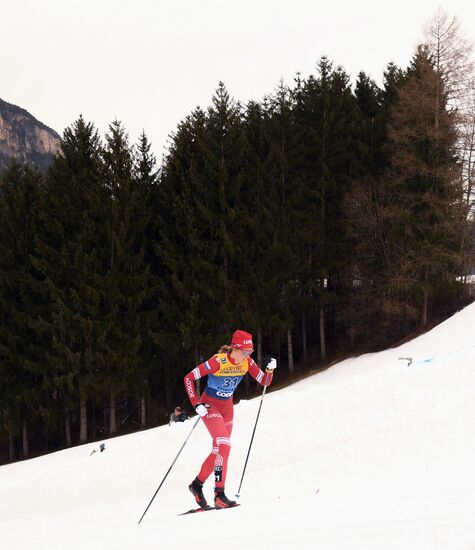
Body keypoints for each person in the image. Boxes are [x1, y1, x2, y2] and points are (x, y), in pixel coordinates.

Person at [183, 329, 277, 509]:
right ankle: (219, 495)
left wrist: (270, 370)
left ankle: (196, 485)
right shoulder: (217, 362)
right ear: (235, 348)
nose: (247, 356)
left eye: (250, 352)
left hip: (227, 407)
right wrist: (196, 404)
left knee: (220, 450)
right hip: (210, 405)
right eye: (245, 352)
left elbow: (264, 381)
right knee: (224, 444)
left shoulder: (247, 363)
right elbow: (188, 378)